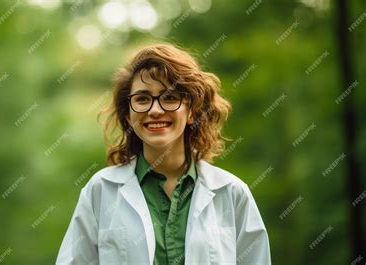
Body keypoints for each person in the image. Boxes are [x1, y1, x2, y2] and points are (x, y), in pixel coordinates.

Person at [56, 43, 271, 264]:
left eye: (169, 97)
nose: (155, 110)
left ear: (192, 111)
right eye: (142, 99)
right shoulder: (100, 191)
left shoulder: (232, 193)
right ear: (129, 115)